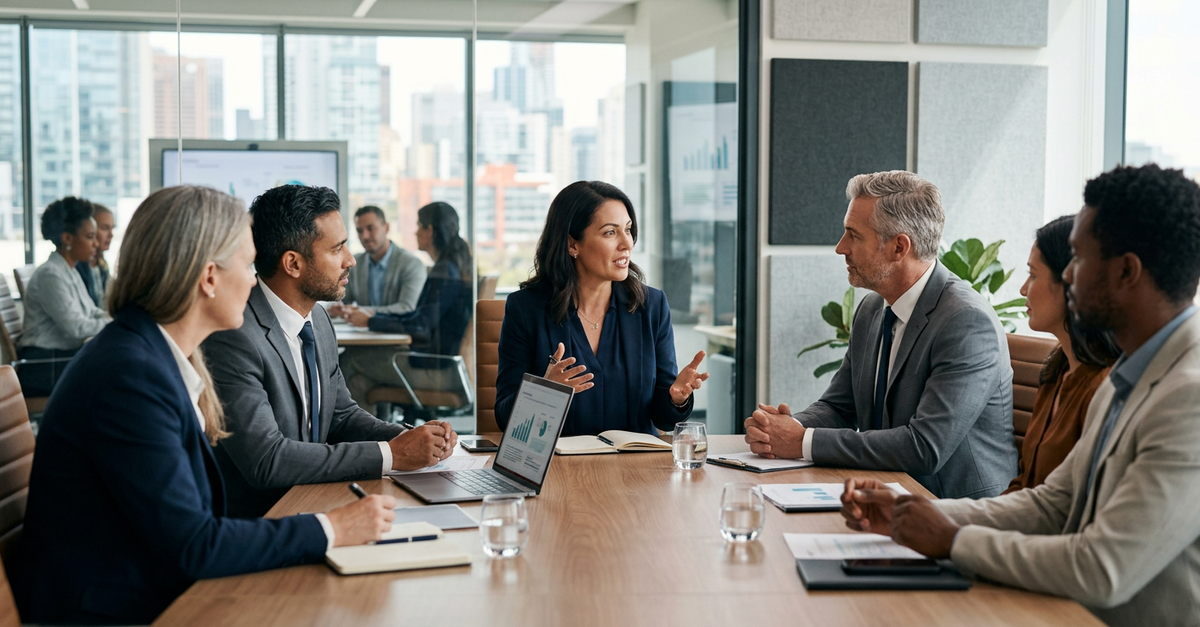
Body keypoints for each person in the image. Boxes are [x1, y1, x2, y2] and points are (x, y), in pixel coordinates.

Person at [12, 186, 397, 625]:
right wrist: (334, 528)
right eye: (247, 265)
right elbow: (195, 545)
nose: (255, 280)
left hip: (154, 585)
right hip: (120, 609)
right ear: (209, 277)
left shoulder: (150, 353)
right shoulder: (131, 376)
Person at [840, 164, 1200, 626]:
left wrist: (951, 540)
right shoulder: (1128, 376)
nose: (1067, 277)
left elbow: (1101, 568)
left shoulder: (1188, 400)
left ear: (1126, 271)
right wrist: (920, 513)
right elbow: (1051, 504)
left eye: (1077, 260)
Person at [744, 171, 1016, 499]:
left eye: (854, 236)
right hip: (886, 496)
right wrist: (782, 430)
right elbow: (839, 407)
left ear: (899, 246)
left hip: (954, 512)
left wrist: (801, 442)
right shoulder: (873, 308)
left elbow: (924, 447)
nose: (840, 248)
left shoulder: (966, 322)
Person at [202, 185, 456, 518]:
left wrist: (412, 438)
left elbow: (341, 416)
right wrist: (393, 454)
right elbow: (267, 460)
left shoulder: (318, 320)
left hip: (317, 497)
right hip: (263, 519)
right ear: (293, 263)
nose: (351, 259)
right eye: (337, 249)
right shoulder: (233, 334)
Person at [494, 180, 708, 436]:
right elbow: (504, 418)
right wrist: (544, 392)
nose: (626, 243)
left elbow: (663, 419)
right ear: (572, 244)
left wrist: (676, 397)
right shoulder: (526, 309)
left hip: (636, 460)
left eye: (628, 229)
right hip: (560, 460)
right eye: (610, 233)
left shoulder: (651, 306)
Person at [1004, 214, 1120, 493]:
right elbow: (1025, 483)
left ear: (1071, 280)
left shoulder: (1104, 387)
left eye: (1033, 274)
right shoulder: (1057, 368)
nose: (1023, 289)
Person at [340, 201, 474, 415]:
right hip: (442, 365)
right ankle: (376, 434)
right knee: (358, 382)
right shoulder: (452, 266)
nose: (415, 232)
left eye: (419, 226)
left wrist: (371, 321)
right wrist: (372, 320)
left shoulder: (446, 271)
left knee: (349, 359)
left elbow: (421, 325)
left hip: (439, 371)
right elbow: (419, 317)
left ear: (430, 230)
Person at [17, 196, 111, 396]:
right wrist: (116, 324)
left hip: (60, 359)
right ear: (67, 238)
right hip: (44, 366)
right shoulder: (50, 275)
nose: (96, 244)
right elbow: (76, 328)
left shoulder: (69, 270)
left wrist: (116, 319)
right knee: (115, 368)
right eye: (90, 237)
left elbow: (91, 312)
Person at [327, 205, 427, 324]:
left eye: (371, 228)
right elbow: (343, 300)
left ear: (386, 228)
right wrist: (336, 308)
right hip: (359, 333)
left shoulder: (412, 264)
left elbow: (407, 308)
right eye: (360, 231)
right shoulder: (355, 263)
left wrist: (363, 312)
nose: (365, 236)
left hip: (398, 333)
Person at [76, 202, 114, 307]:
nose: (111, 235)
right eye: (105, 228)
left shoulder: (102, 264)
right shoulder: (76, 267)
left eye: (112, 228)